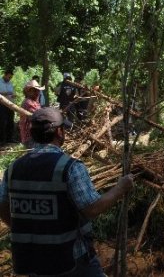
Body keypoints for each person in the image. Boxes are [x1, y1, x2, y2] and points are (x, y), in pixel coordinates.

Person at [0, 107, 134, 276]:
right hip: (70, 259)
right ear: (59, 132)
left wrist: (24, 227)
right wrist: (120, 188)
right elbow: (91, 208)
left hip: (31, 259)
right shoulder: (69, 168)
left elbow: (2, 205)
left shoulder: (13, 168)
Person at [19, 80, 45, 148]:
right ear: (28, 92)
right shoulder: (28, 102)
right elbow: (39, 116)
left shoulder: (35, 102)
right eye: (34, 90)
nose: (37, 92)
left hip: (35, 135)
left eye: (38, 90)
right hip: (30, 137)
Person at [0, 69, 15, 145]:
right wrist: (6, 93)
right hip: (1, 105)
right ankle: (2, 140)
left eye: (11, 77)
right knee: (2, 122)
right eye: (9, 77)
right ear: (5, 75)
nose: (9, 79)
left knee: (10, 122)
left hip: (10, 104)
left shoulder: (10, 83)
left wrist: (13, 95)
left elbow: (11, 92)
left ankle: (10, 139)